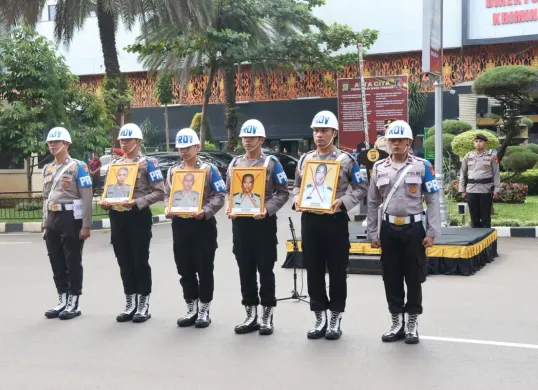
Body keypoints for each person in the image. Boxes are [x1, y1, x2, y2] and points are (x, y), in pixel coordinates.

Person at [293, 110, 368, 341]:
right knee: (313, 269)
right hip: (310, 221)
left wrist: (343, 202)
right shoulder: (305, 159)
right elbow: (296, 186)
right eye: (316, 130)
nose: (319, 135)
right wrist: (297, 198)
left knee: (336, 270)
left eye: (324, 130)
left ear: (334, 133)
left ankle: (335, 316)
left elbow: (360, 188)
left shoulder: (346, 160)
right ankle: (319, 316)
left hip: (335, 220)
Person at [367, 120, 441, 345]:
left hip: (414, 228)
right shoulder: (379, 167)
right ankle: (396, 320)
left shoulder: (422, 166)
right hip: (389, 228)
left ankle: (412, 322)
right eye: (392, 140)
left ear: (409, 142)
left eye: (400, 140)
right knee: (391, 276)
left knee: (413, 276)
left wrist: (432, 231)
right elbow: (372, 202)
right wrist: (373, 233)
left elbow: (433, 200)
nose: (396, 144)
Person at [226, 119, 290, 336]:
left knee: (265, 269)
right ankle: (250, 313)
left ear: (261, 139)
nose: (247, 141)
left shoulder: (271, 163)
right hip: (241, 225)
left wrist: (267, 209)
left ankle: (266, 315)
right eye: (244, 137)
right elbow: (229, 192)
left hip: (263, 223)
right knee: (245, 269)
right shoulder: (234, 164)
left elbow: (283, 192)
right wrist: (229, 207)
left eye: (252, 137)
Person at [100, 123, 165, 323]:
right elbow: (109, 190)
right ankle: (130, 302)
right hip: (118, 217)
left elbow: (160, 191)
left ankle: (143, 303)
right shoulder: (115, 165)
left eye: (128, 140)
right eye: (122, 140)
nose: (125, 143)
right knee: (124, 261)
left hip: (137, 215)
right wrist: (105, 202)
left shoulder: (149, 163)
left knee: (139, 260)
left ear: (138, 142)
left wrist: (137, 202)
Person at [165, 128, 226, 328]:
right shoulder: (173, 171)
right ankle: (191, 306)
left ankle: (204, 309)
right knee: (184, 267)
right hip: (180, 224)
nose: (183, 151)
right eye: (180, 148)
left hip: (202, 224)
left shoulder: (209, 170)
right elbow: (168, 194)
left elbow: (220, 195)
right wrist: (169, 207)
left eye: (187, 147)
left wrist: (206, 210)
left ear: (197, 147)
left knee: (204, 268)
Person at [42, 127, 93, 320]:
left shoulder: (79, 166)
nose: (52, 145)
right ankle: (62, 298)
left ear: (67, 144)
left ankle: (73, 301)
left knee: (72, 259)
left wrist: (86, 225)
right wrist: (45, 224)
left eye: (56, 142)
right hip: (53, 218)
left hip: (71, 217)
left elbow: (86, 197)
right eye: (50, 143)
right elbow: (45, 198)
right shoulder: (47, 169)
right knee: (56, 260)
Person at [458, 133, 501, 228]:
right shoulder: (468, 156)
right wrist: (462, 189)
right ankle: (476, 239)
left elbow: (496, 174)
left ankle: (486, 239)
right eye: (476, 141)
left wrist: (496, 190)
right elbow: (463, 173)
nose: (478, 143)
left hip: (486, 189)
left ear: (485, 143)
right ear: (473, 143)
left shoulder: (492, 156)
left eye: (480, 141)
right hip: (471, 189)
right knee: (474, 216)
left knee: (485, 216)